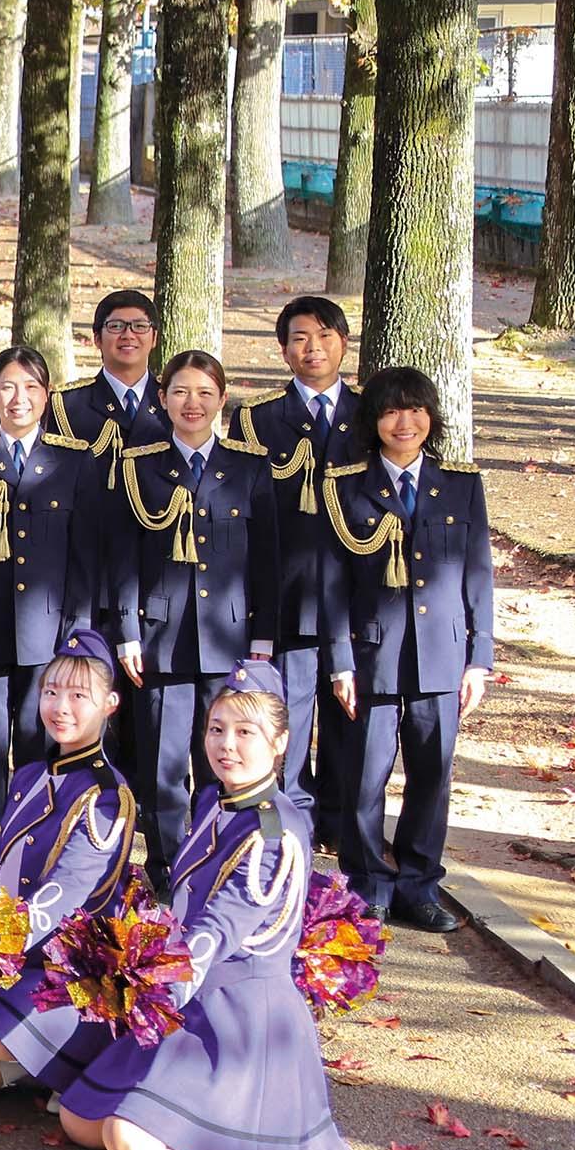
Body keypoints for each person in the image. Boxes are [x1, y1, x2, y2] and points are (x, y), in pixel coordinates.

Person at [56, 662, 349, 1150]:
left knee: (125, 1141)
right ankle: (171, 1113)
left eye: (245, 732)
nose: (226, 745)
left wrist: (149, 995)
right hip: (191, 991)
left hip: (240, 1018)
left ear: (280, 742)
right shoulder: (216, 798)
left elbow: (215, 931)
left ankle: (218, 1127)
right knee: (80, 1123)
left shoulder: (271, 834)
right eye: (216, 729)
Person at [0, 631, 135, 1107]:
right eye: (52, 691)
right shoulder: (30, 775)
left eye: (80, 696)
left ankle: (75, 1056)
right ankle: (30, 1067)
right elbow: (2, 868)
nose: (61, 706)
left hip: (67, 969)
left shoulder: (105, 796)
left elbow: (66, 893)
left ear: (110, 704)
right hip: (19, 953)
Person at [322, 366, 493, 934]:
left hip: (442, 656)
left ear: (431, 417)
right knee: (365, 777)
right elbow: (332, 582)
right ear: (374, 420)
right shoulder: (346, 485)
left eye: (416, 409)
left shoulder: (461, 484)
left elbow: (478, 577)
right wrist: (339, 660)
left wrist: (479, 659)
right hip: (373, 654)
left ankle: (420, 886)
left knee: (431, 775)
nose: (405, 422)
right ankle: (368, 883)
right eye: (393, 410)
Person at [109, 350, 277, 887]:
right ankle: (165, 864)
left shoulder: (250, 468)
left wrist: (264, 637)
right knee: (162, 763)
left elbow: (265, 563)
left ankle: (220, 855)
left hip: (228, 639)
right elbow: (124, 559)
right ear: (163, 399)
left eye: (205, 393)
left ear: (222, 401)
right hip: (161, 638)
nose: (192, 403)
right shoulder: (140, 468)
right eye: (181, 392)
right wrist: (128, 633)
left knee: (223, 759)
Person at [0, 345, 104, 824]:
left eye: (31, 387)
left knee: (41, 745)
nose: (19, 399)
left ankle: (32, 842)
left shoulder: (74, 462)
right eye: (7, 387)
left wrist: (77, 636)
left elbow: (84, 559)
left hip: (48, 638)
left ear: (46, 396)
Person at [231, 296, 362, 847]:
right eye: (301, 338)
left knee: (352, 726)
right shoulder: (258, 418)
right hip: (290, 595)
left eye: (325, 336)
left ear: (344, 343)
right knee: (291, 717)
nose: (314, 348)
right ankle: (289, 829)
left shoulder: (371, 414)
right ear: (284, 350)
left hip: (360, 601)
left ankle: (344, 826)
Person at [48, 290, 171, 485]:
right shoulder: (67, 405)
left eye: (139, 326)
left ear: (154, 338)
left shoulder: (174, 400)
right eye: (116, 326)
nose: (128, 335)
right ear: (97, 338)